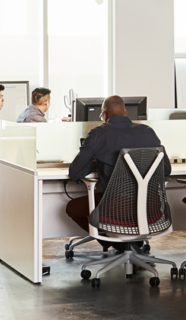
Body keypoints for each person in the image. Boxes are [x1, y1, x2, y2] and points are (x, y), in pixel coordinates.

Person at [66, 95, 172, 234]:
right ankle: (126, 245)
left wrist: (95, 163)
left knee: (72, 208)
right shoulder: (148, 131)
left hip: (118, 209)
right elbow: (166, 169)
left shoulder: (98, 134)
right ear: (126, 113)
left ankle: (112, 242)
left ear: (104, 115)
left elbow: (75, 173)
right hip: (151, 208)